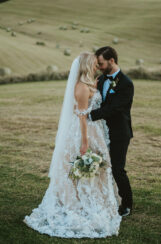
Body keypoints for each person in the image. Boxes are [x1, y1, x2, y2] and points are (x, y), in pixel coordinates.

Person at [23, 52, 121, 238]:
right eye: (94, 64)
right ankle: (76, 202)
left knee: (100, 167)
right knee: (82, 164)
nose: (97, 66)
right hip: (83, 131)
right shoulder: (81, 88)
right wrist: (85, 142)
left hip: (95, 129)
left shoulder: (91, 83)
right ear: (86, 65)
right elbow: (82, 116)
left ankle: (96, 198)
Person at [88, 46, 134, 217]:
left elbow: (115, 108)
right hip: (100, 132)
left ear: (111, 61)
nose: (99, 67)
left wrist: (89, 116)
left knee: (117, 168)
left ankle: (127, 204)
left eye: (101, 63)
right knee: (100, 167)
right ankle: (104, 198)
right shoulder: (100, 80)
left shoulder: (126, 83)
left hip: (119, 132)